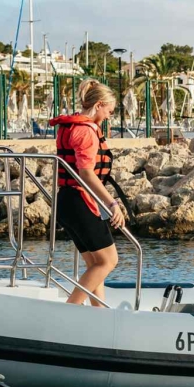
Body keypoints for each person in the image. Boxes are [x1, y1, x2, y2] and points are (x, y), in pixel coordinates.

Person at [51, 80, 127, 305]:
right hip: (79, 202)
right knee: (108, 261)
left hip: (66, 201)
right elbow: (85, 173)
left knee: (96, 264)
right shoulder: (86, 132)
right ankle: (69, 311)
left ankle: (98, 313)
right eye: (109, 111)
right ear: (99, 105)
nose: (108, 117)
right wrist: (112, 204)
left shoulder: (72, 126)